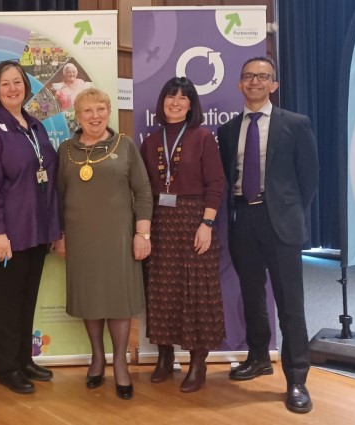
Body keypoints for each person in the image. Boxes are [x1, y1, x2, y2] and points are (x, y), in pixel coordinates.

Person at [217, 57, 319, 414]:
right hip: (243, 219)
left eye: (263, 77)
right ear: (239, 84)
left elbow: (309, 180)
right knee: (251, 295)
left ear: (273, 85)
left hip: (281, 223)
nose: (255, 82)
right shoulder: (228, 130)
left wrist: (287, 209)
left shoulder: (296, 124)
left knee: (290, 303)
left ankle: (296, 379)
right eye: (248, 76)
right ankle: (259, 356)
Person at [0, 60, 61, 395]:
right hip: (2, 234)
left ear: (26, 86)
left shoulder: (35, 126)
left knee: (25, 299)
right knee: (4, 303)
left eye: (17, 82)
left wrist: (53, 229)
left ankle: (23, 359)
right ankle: (7, 368)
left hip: (35, 230)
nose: (12, 88)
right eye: (4, 84)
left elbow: (49, 178)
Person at [55, 88, 153, 400]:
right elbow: (56, 197)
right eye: (88, 111)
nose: (95, 116)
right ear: (77, 115)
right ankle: (98, 359)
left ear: (109, 112)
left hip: (118, 238)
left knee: (119, 301)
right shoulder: (65, 151)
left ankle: (121, 364)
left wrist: (143, 234)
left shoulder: (125, 146)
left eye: (100, 109)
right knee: (91, 300)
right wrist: (60, 236)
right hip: (81, 239)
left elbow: (144, 192)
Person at [140, 77, 226, 393]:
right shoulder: (150, 141)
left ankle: (198, 363)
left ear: (191, 105)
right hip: (160, 222)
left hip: (194, 222)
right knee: (161, 290)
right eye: (170, 97)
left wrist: (207, 224)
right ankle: (164, 356)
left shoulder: (203, 138)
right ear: (162, 102)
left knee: (196, 294)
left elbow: (216, 184)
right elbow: (143, 188)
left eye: (182, 98)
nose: (175, 102)